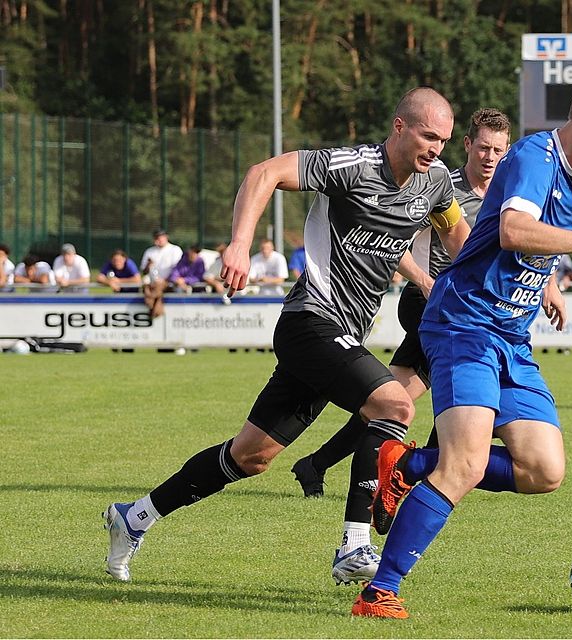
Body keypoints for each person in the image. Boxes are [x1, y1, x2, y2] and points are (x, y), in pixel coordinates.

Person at [101, 87, 470, 588]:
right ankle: (355, 544)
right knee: (394, 406)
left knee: (250, 457)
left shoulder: (437, 184)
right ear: (400, 127)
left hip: (343, 333)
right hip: (310, 321)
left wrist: (479, 279)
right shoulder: (354, 166)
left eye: (445, 141)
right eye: (429, 136)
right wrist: (239, 243)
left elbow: (455, 234)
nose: (436, 149)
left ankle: (134, 517)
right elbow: (264, 172)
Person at [351, 70, 572, 619]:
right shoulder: (535, 159)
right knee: (462, 466)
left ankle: (407, 464)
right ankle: (378, 592)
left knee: (543, 470)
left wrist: (550, 285)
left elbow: (529, 244)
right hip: (466, 325)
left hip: (511, 336)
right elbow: (513, 230)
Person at [290, 108, 510, 583]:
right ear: (468, 146)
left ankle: (324, 464)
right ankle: (411, 477)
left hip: (463, 309)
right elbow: (399, 238)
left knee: (398, 399)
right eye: (484, 147)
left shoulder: (501, 197)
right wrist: (426, 281)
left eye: (499, 150)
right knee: (424, 401)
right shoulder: (437, 180)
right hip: (429, 304)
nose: (491, 157)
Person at [141, 229, 183, 317]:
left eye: (160, 237)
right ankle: (156, 310)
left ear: (166, 237)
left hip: (169, 281)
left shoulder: (175, 250)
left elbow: (177, 269)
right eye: (156, 238)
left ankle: (152, 306)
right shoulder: (150, 251)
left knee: (156, 289)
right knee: (149, 287)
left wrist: (165, 280)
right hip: (153, 283)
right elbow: (144, 271)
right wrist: (148, 265)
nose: (158, 240)